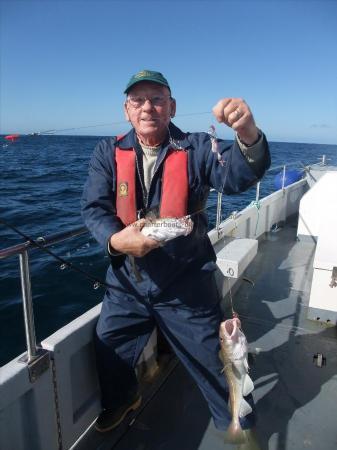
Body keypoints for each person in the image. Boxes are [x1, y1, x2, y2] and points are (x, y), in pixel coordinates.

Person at [81, 70, 270, 439]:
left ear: (172, 107)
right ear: (126, 109)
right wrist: (116, 241)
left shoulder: (197, 146)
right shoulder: (107, 151)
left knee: (217, 364)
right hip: (126, 285)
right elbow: (94, 208)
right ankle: (123, 398)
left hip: (186, 283)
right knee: (108, 343)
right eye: (138, 100)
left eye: (157, 99)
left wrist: (248, 135)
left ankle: (241, 427)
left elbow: (235, 178)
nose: (147, 107)